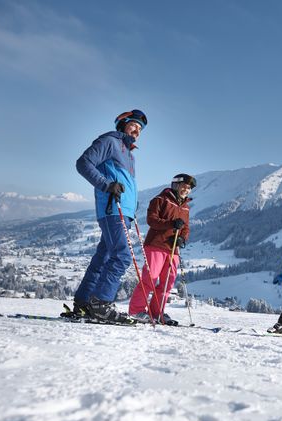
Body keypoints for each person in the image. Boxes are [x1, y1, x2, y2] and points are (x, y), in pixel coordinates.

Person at [70, 109, 147, 323]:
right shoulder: (110, 142)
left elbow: (122, 181)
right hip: (112, 209)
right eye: (134, 125)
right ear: (122, 124)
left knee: (103, 257)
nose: (137, 131)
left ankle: (84, 302)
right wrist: (106, 185)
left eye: (140, 129)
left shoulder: (130, 155)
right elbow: (83, 163)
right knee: (122, 256)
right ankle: (101, 304)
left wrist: (132, 204)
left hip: (124, 211)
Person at [128, 174, 195, 325]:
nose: (187, 190)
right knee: (149, 279)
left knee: (167, 283)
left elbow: (186, 227)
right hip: (156, 244)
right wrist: (171, 224)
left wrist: (182, 238)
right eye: (184, 186)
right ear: (176, 185)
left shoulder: (185, 207)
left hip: (173, 249)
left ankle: (156, 312)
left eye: (189, 188)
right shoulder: (160, 200)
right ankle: (136, 311)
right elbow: (152, 220)